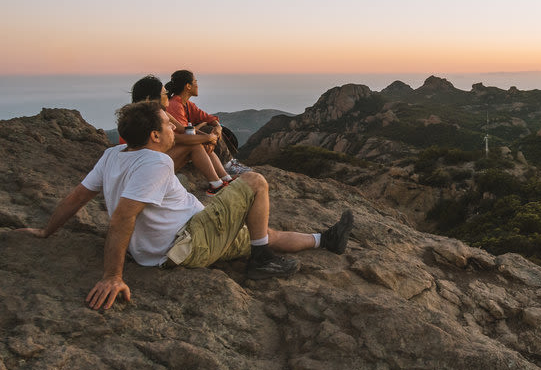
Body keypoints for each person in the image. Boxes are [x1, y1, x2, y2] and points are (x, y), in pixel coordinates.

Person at [15, 100, 355, 310]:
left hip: (194, 235)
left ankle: (324, 240)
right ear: (154, 135)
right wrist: (112, 276)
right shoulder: (156, 162)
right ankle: (262, 262)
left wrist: (47, 232)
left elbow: (77, 197)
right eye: (168, 124)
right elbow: (122, 218)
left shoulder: (112, 154)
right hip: (189, 243)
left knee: (261, 233)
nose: (174, 128)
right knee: (256, 182)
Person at [131, 75, 233, 194]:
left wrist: (208, 139)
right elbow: (175, 138)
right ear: (150, 98)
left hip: (157, 159)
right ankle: (217, 184)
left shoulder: (161, 113)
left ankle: (225, 179)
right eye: (164, 93)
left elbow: (184, 129)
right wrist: (207, 138)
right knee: (194, 145)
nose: (168, 96)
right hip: (146, 167)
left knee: (199, 144)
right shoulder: (145, 118)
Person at [164, 70, 250, 176]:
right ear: (188, 86)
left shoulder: (188, 104)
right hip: (178, 148)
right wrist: (208, 137)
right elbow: (184, 134)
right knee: (208, 129)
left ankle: (228, 163)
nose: (197, 85)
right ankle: (228, 166)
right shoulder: (175, 105)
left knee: (215, 129)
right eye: (195, 82)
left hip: (188, 142)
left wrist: (217, 127)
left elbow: (208, 118)